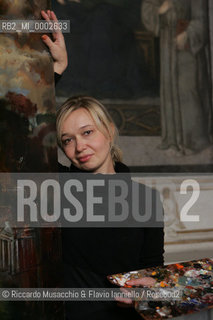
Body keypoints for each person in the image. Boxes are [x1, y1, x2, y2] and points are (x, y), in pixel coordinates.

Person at [56, 96, 164, 320]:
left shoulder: (146, 199)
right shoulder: (55, 188)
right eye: (68, 140)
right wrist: (52, 73)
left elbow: (152, 269)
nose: (79, 147)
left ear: (109, 131)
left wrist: (144, 291)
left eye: (87, 132)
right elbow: (15, 130)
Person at [142, 0, 212, 155]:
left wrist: (188, 34)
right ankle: (173, 140)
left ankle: (194, 141)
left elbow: (202, 20)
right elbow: (148, 8)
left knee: (189, 88)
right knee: (169, 89)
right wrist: (160, 10)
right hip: (167, 42)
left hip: (187, 47)